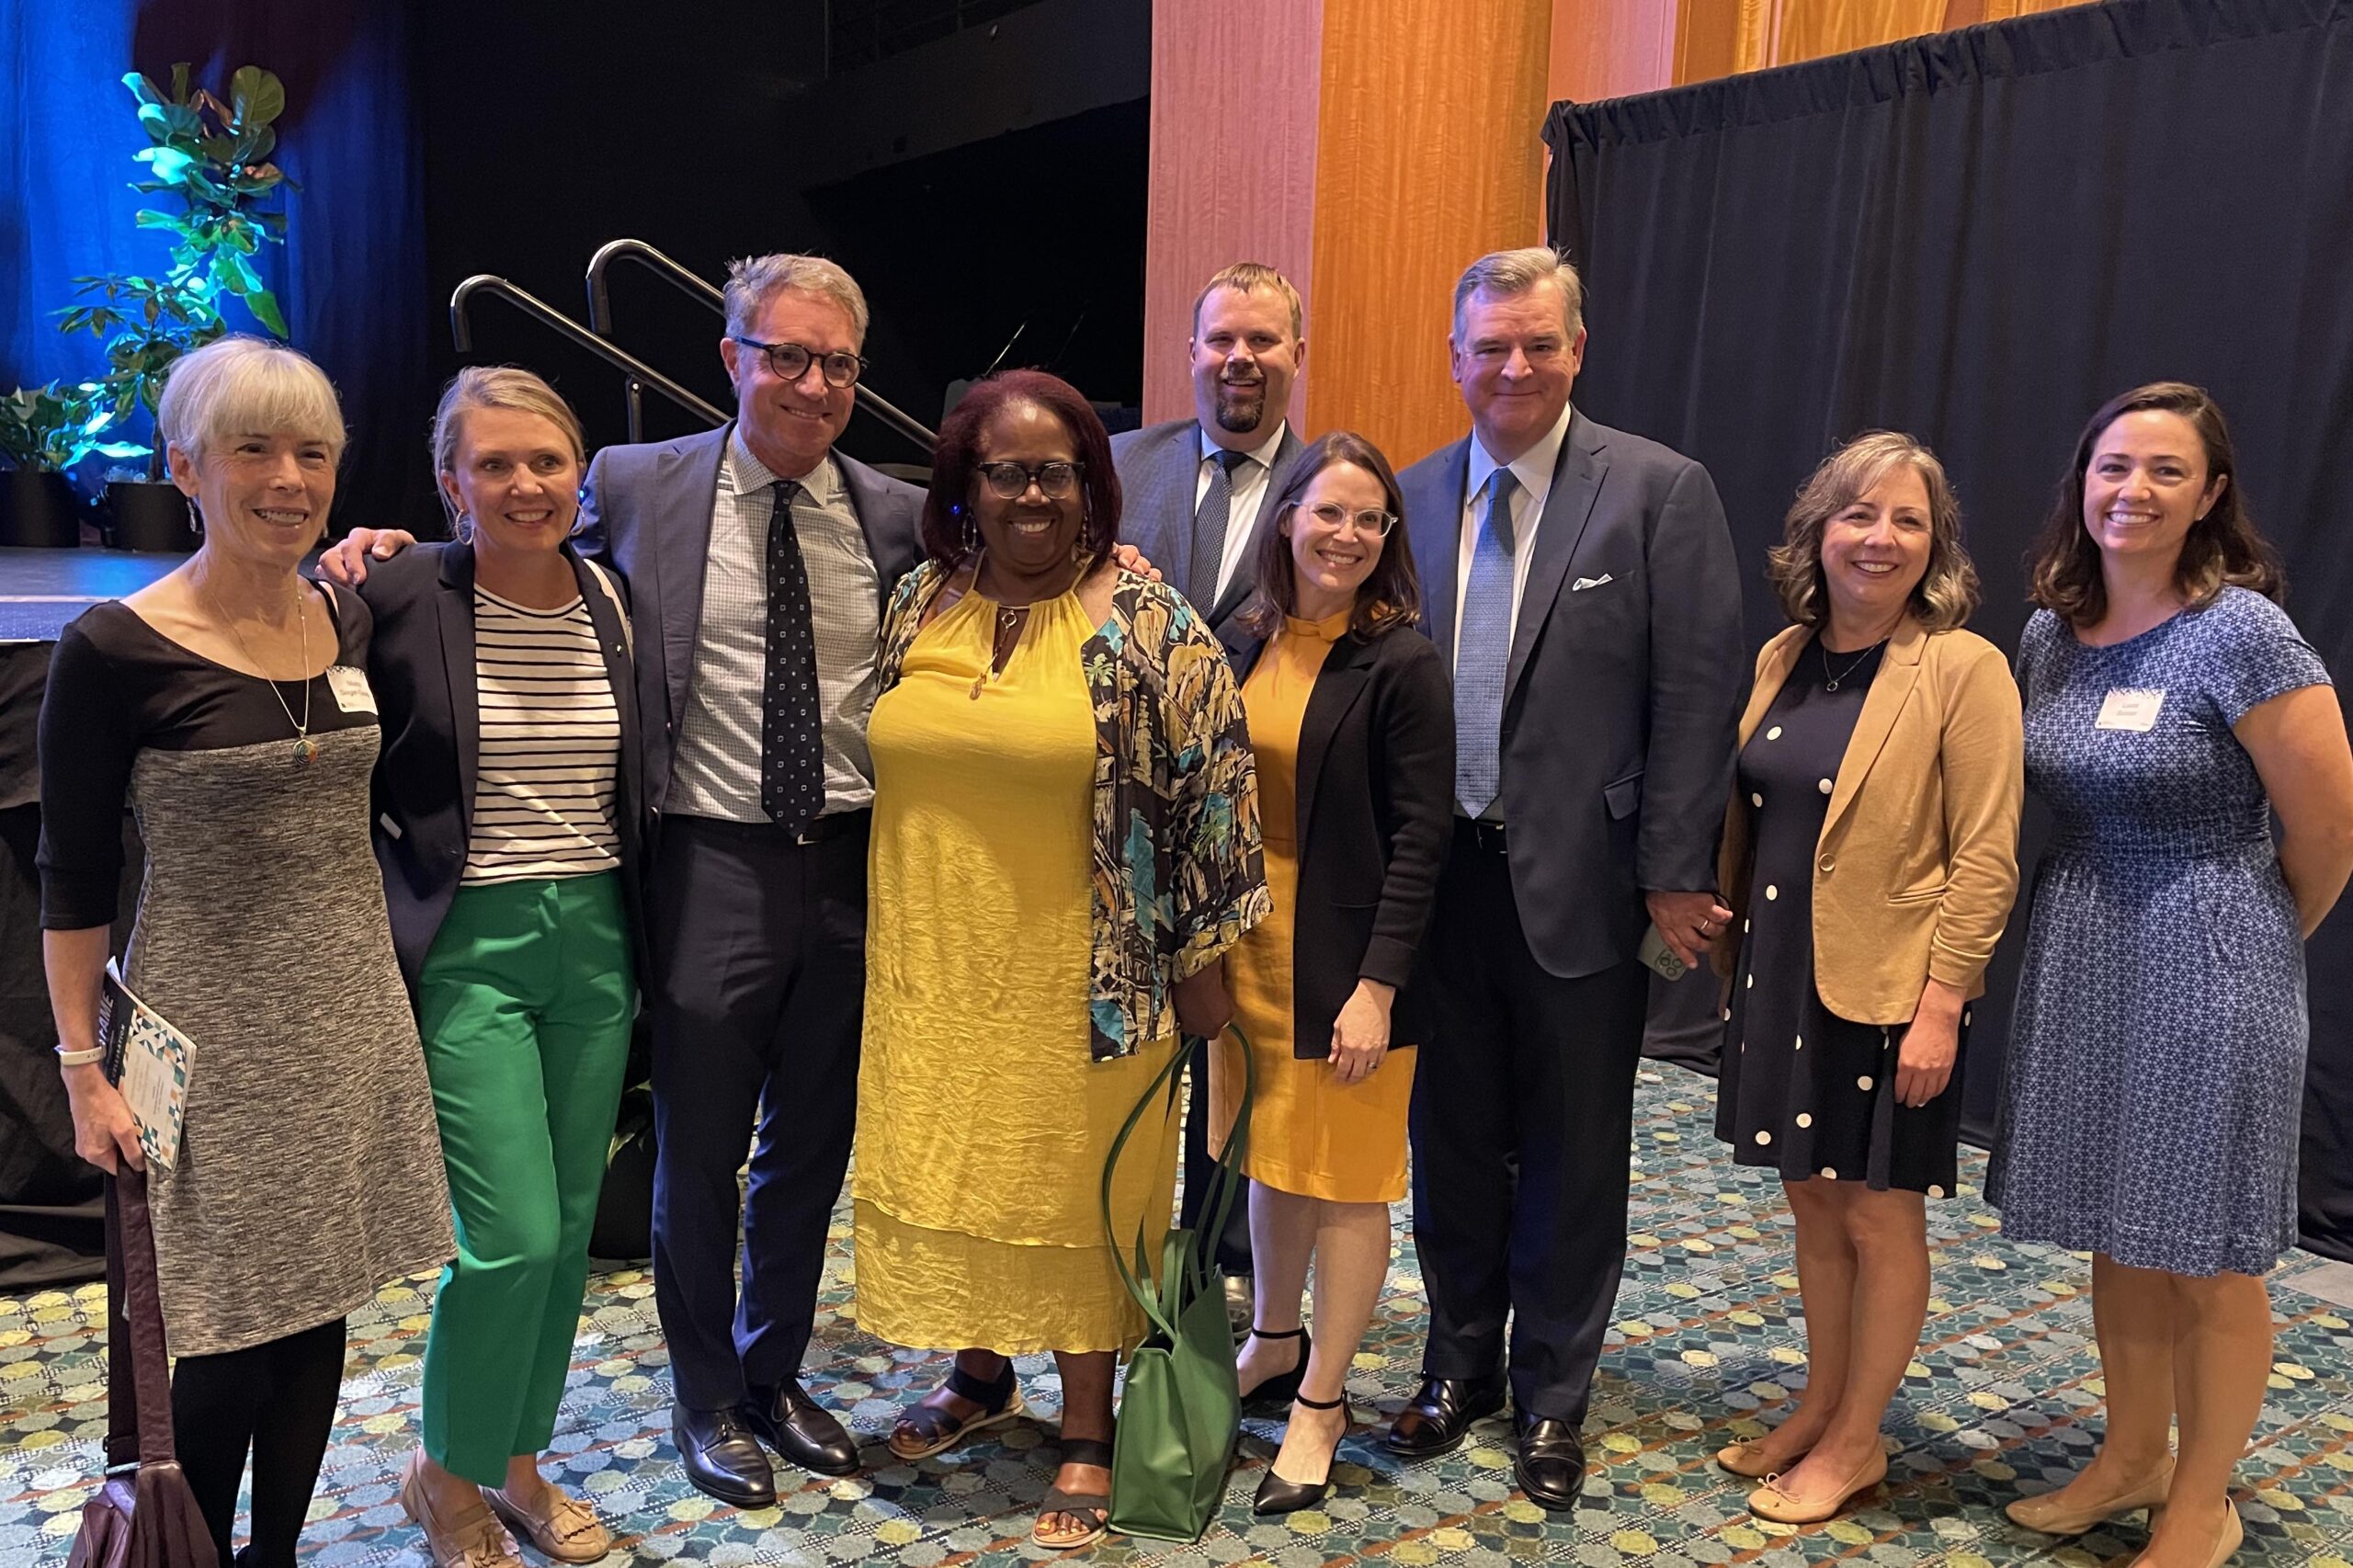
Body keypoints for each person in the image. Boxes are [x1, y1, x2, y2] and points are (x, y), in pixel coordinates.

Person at [325, 253, 924, 1506]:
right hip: (704, 859)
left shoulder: (896, 508)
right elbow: (507, 564)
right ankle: (705, 1396)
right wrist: (387, 544)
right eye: (785, 355)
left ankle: (774, 1372)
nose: (810, 383)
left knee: (812, 1140)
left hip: (853, 867)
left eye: (836, 363)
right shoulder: (639, 483)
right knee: (698, 1149)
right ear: (733, 357)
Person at [37, 336, 454, 1568]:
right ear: (186, 467)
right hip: (202, 1036)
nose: (288, 476)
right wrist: (79, 1066)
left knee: (319, 1303)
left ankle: (274, 1554)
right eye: (253, 449)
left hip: (348, 1015)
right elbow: (72, 875)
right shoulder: (114, 647)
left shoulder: (347, 611)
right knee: (219, 1337)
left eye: (313, 451)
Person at [855, 369, 1268, 1551]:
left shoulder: (1149, 622)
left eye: (1057, 472)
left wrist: (1203, 959)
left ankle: (1088, 1422)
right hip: (932, 958)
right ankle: (981, 1374)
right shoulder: (920, 600)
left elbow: (1215, 792)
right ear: (965, 486)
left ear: (1092, 485)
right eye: (1006, 471)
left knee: (1087, 1192)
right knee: (963, 1162)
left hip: (1094, 974)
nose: (1031, 493)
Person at [1387, 247, 1744, 1511]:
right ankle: (1457, 1362)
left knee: (1576, 1152)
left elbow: (1696, 698)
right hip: (1439, 889)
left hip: (1589, 885)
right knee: (1453, 1140)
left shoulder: (1657, 492)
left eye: (1539, 342)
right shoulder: (1411, 497)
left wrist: (1671, 876)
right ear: (1456, 358)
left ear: (1578, 348)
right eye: (1490, 346)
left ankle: (1552, 1393)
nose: (1515, 366)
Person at [1991, 383, 2353, 1568]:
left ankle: (2204, 1495)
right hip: (2085, 936)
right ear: (2079, 483)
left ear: (2208, 495)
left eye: (2161, 471)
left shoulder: (2242, 631)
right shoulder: (2051, 626)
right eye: (2111, 467)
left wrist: (2243, 952)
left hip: (2210, 941)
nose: (2130, 491)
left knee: (2202, 1244)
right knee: (2119, 1223)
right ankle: (2131, 1453)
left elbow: (2327, 830)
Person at [357, 368, 644, 1567]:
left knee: (571, 1222)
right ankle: (445, 1469)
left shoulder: (617, 599)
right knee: (511, 1231)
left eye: (548, 461)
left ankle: (520, 1462)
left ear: (582, 474)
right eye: (496, 464)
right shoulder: (403, 590)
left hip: (600, 937)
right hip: (470, 940)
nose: (527, 484)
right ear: (449, 482)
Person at [1707, 433, 2023, 1524]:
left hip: (1893, 991)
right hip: (1783, 973)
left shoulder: (1962, 666)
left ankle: (1856, 1438)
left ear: (1934, 545)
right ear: (1818, 530)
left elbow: (1986, 853)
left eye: (1907, 520)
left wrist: (1945, 1003)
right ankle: (1821, 1399)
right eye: (1858, 514)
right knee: (1812, 1200)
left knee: (1880, 1217)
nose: (1879, 537)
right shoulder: (1782, 655)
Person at [1205, 432, 1451, 1515]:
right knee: (1271, 1156)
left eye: (1369, 518)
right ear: (1288, 517)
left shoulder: (1400, 659)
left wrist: (1377, 985)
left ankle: (1320, 1401)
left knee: (1347, 1181)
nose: (1347, 535)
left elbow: (1421, 838)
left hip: (1345, 963)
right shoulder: (1246, 632)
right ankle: (1269, 1333)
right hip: (1246, 948)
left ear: (1387, 536)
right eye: (1329, 512)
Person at [1113, 260, 1311, 1301]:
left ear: (1295, 357)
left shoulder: (1337, 492)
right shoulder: (1110, 468)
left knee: (1236, 1048)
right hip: (1113, 827)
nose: (1240, 358)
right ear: (1191, 353)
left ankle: (1225, 1268)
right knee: (1121, 1050)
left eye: (1263, 341)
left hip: (1259, 826)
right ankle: (1120, 1240)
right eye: (1221, 338)